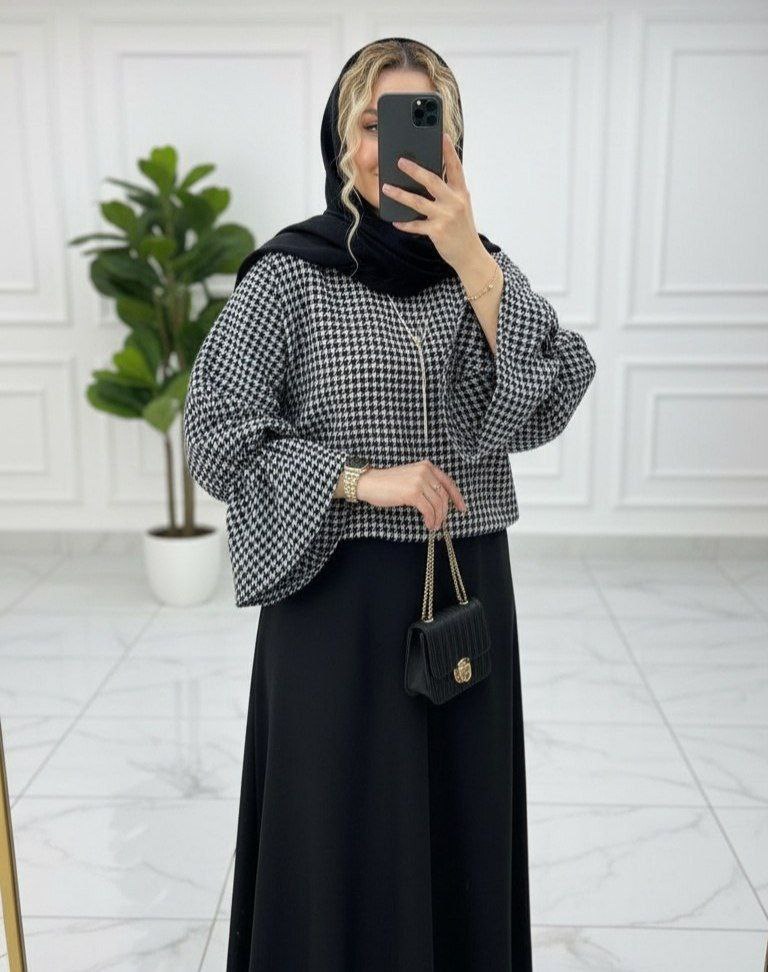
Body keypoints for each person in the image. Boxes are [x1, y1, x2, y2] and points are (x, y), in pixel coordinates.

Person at [182, 35, 596, 972]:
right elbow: (214, 432)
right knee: (339, 831)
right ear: (343, 140)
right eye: (372, 122)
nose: (392, 146)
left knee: (461, 825)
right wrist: (360, 479)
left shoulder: (481, 271)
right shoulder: (289, 275)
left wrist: (473, 262)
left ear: (453, 142)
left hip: (465, 590)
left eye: (419, 122)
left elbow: (555, 390)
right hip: (337, 601)